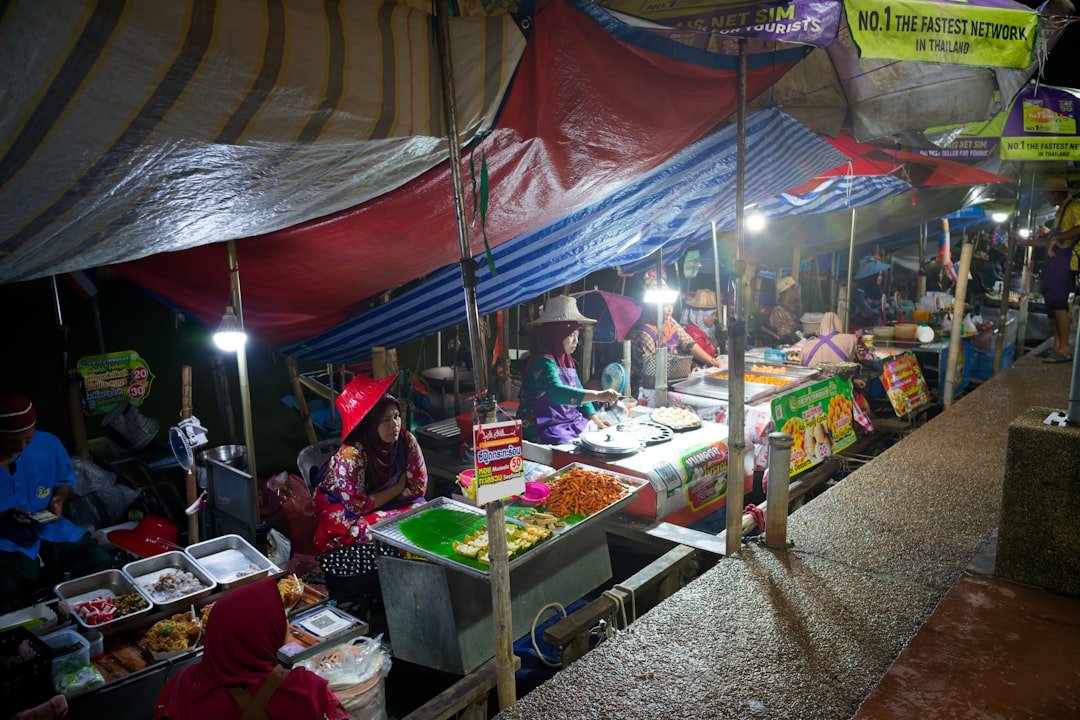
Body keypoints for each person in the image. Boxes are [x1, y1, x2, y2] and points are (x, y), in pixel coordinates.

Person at [153, 577, 349, 719]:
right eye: (280, 617)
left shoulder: (182, 686)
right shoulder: (305, 690)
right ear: (260, 633)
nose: (286, 623)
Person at [0, 395, 109, 612]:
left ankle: (81, 617)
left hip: (52, 530)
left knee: (97, 560)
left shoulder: (48, 444)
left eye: (27, 441)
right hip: (7, 544)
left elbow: (64, 482)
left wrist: (59, 499)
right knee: (5, 592)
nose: (22, 446)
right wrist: (4, 517)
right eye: (14, 442)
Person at [313, 373, 427, 561]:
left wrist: (382, 502)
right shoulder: (352, 455)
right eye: (386, 420)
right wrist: (397, 488)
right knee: (372, 532)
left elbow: (418, 486)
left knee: (423, 513)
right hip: (343, 507)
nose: (395, 425)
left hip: (385, 503)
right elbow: (356, 506)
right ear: (371, 424)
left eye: (397, 416)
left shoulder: (406, 441)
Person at [518, 295, 620, 444]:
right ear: (556, 334)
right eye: (571, 335)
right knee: (569, 443)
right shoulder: (543, 361)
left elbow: (578, 389)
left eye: (577, 336)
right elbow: (557, 392)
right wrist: (598, 395)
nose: (576, 342)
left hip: (567, 422)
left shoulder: (567, 360)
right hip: (545, 425)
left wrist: (596, 419)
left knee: (598, 432)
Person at [1025, 176, 1078, 363]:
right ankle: (1056, 346)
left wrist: (1057, 238)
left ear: (1054, 193)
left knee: (1060, 306)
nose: (1046, 197)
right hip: (1056, 263)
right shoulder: (1059, 212)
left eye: (1047, 193)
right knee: (1053, 307)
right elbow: (1050, 240)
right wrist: (1026, 242)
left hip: (1068, 262)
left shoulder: (1074, 207)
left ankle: (1064, 350)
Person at [630, 289, 723, 391]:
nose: (670, 309)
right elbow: (654, 369)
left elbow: (688, 343)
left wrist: (712, 361)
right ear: (652, 307)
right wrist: (687, 371)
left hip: (671, 379)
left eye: (671, 305)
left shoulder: (669, 321)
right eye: (665, 306)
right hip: (647, 387)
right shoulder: (643, 334)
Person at [793, 312, 867, 368]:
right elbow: (859, 356)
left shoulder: (808, 345)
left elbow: (800, 363)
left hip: (815, 385)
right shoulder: (849, 339)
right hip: (840, 382)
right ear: (839, 324)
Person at [768, 276, 802, 344]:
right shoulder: (778, 311)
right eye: (795, 288)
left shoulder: (791, 310)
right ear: (789, 290)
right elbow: (784, 336)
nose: (798, 292)